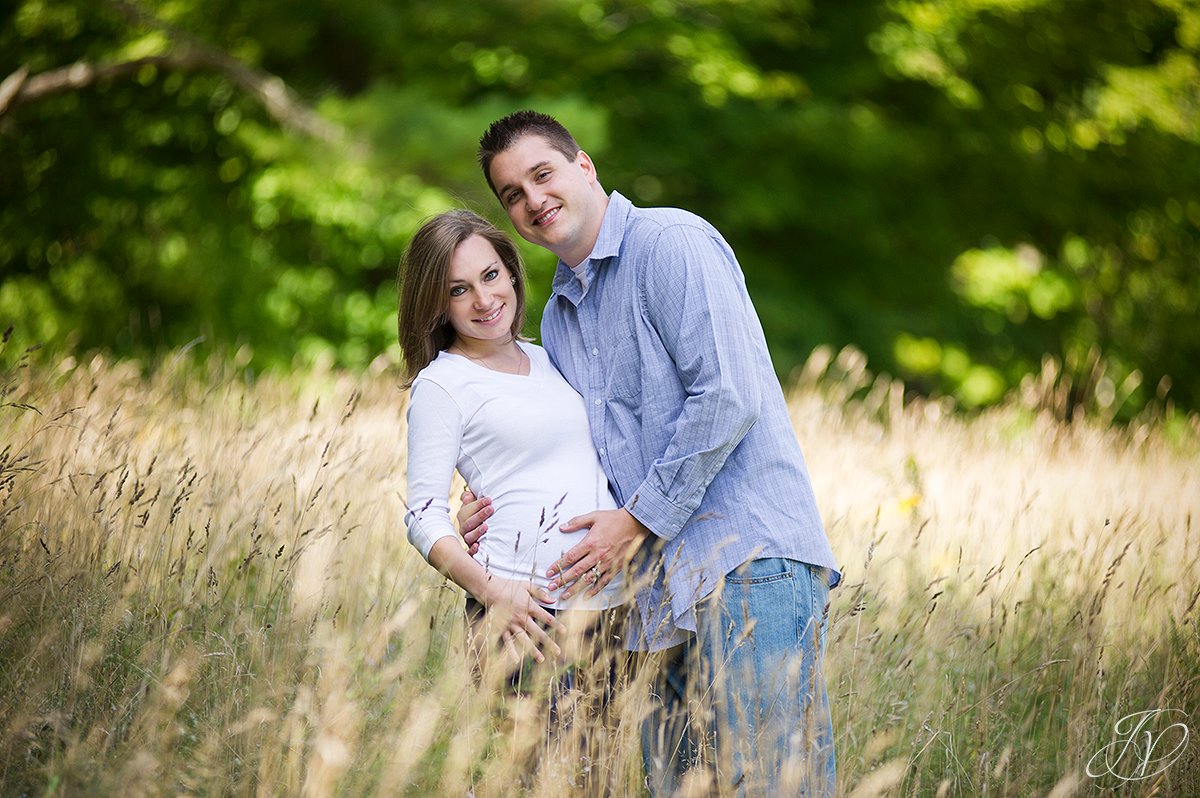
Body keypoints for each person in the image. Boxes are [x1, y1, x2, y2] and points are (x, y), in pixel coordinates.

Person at [459, 110, 842, 795]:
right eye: (512, 194)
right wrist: (488, 510)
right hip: (655, 598)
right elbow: (570, 454)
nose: (532, 199)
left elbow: (727, 396)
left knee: (772, 784)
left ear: (584, 167)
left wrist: (637, 522)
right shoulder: (558, 317)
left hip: (745, 564)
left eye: (542, 174)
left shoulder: (671, 244)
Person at [397, 209, 625, 683]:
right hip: (525, 617)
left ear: (511, 271)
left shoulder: (548, 358)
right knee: (541, 758)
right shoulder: (442, 383)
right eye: (459, 290)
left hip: (611, 610)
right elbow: (422, 514)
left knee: (609, 760)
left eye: (491, 275)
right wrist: (494, 592)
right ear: (438, 305)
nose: (484, 299)